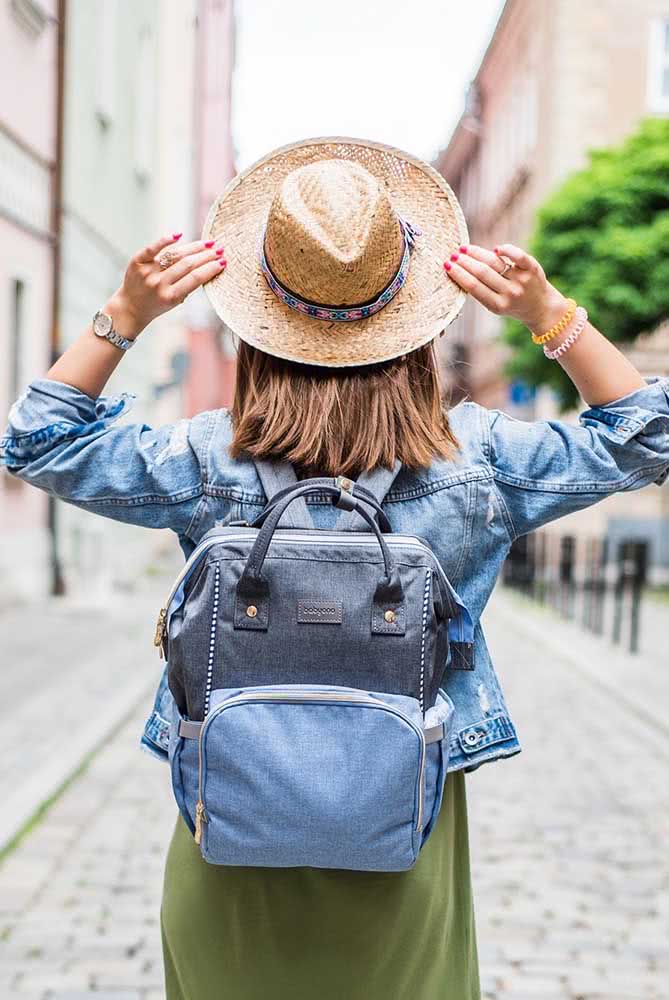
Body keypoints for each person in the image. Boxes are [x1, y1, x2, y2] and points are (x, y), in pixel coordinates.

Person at [2, 138, 668, 1000]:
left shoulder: (207, 458)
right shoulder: (480, 461)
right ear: (415, 321)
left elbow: (35, 442)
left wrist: (122, 316)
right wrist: (552, 317)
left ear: (260, 323)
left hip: (229, 814)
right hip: (403, 812)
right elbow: (647, 436)